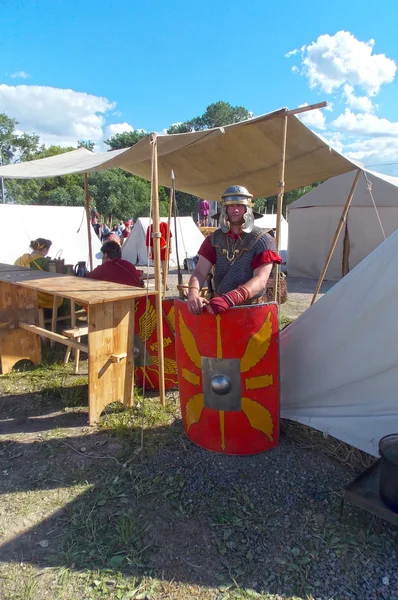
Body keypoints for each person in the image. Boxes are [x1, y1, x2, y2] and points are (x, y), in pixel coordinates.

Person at [187, 185, 282, 315]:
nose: (235, 209)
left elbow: (260, 280)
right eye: (231, 205)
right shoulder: (214, 239)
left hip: (252, 309)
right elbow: (199, 272)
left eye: (239, 205)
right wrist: (193, 293)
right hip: (219, 309)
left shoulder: (263, 239)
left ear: (248, 209)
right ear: (224, 209)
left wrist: (230, 298)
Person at [14, 238, 63, 309]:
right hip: (38, 297)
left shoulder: (19, 260)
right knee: (61, 298)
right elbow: (53, 280)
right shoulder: (44, 262)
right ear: (45, 249)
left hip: (20, 294)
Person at [145, 221, 172, 289]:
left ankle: (165, 282)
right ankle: (158, 284)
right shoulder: (150, 227)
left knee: (165, 268)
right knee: (157, 269)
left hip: (164, 249)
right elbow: (148, 241)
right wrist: (148, 251)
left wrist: (170, 247)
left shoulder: (165, 225)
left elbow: (170, 237)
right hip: (155, 250)